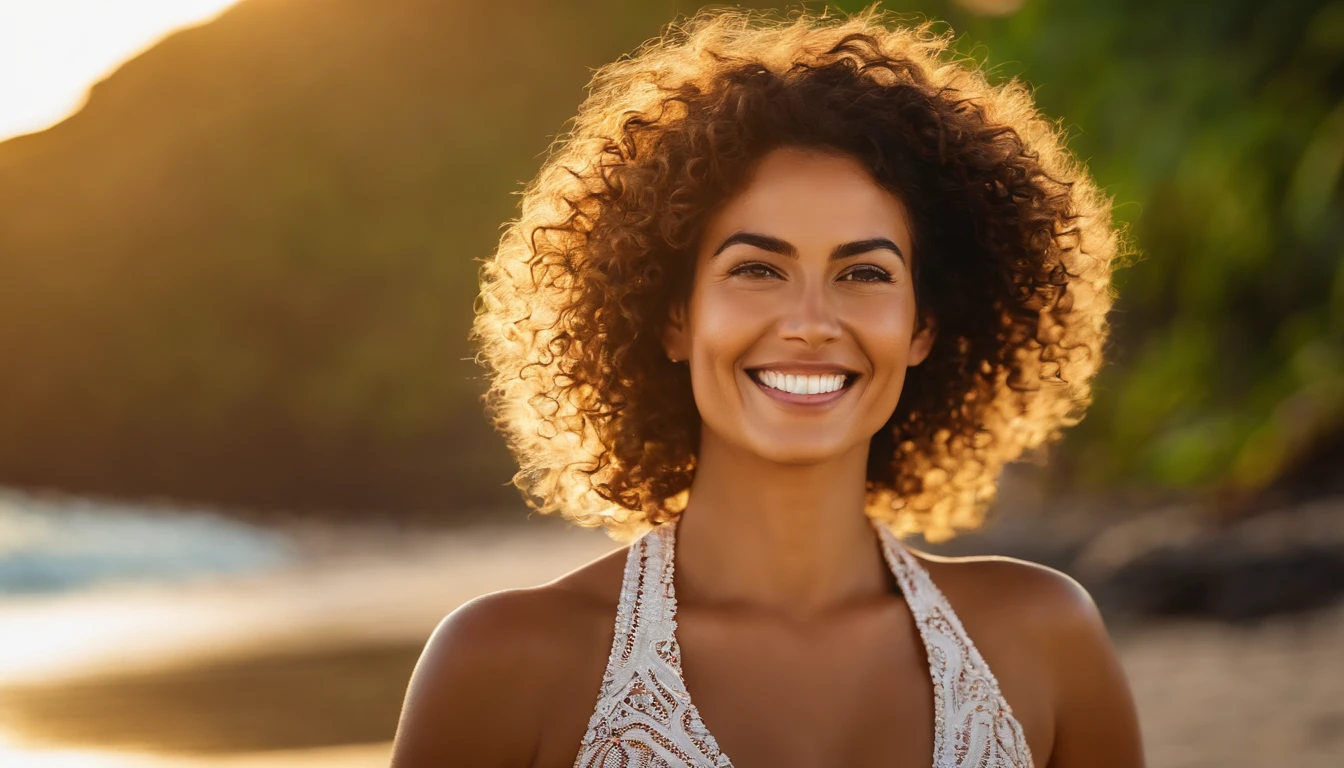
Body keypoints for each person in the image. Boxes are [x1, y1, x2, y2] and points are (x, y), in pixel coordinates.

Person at [390, 6, 1144, 767]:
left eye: (863, 274)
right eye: (757, 269)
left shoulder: (1042, 639)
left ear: (924, 328)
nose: (811, 323)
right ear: (674, 317)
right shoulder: (505, 666)